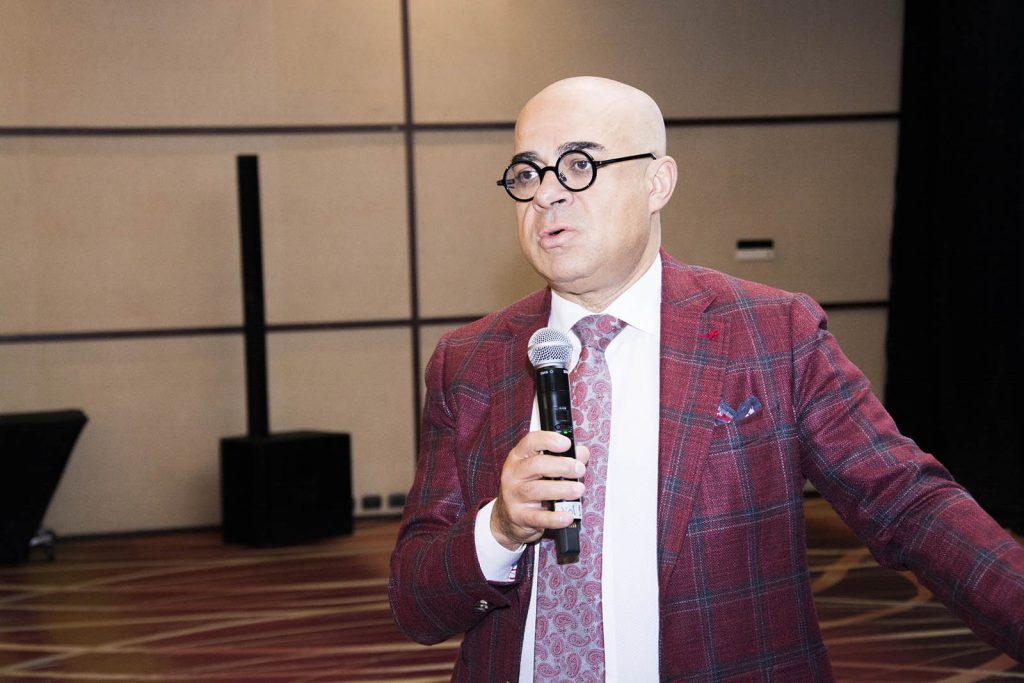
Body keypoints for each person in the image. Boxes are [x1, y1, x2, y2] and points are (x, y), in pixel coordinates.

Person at [388, 76, 1024, 681]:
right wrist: (499, 528)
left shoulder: (772, 334)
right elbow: (416, 602)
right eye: (528, 173)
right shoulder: (468, 362)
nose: (546, 194)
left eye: (579, 164)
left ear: (657, 182)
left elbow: (907, 504)